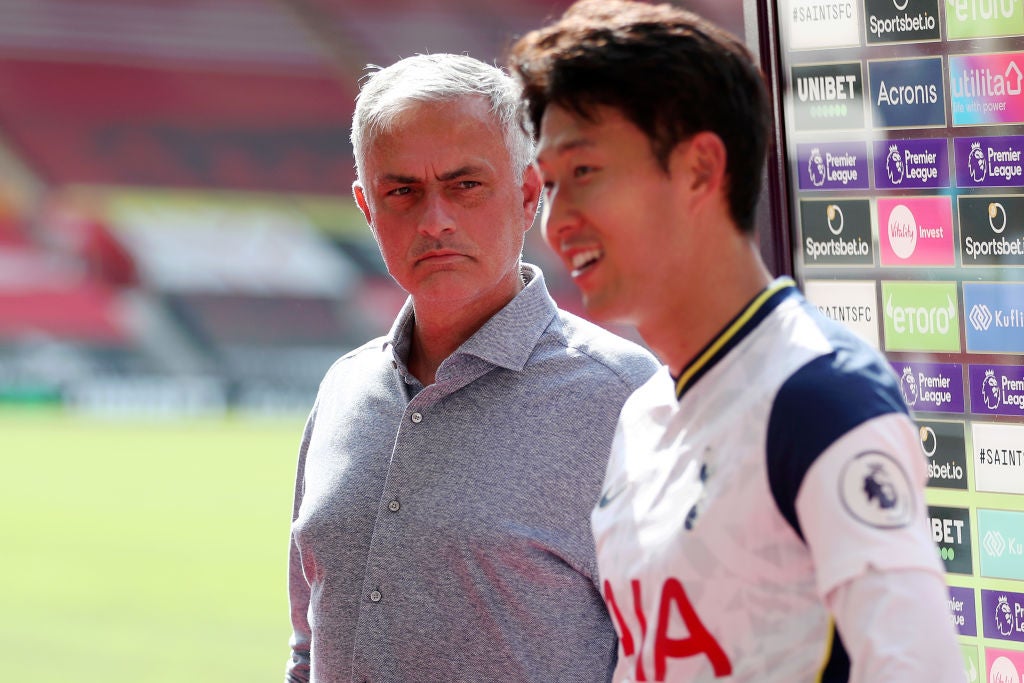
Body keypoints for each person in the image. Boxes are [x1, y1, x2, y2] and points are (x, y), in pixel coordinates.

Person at [509, 2, 966, 682]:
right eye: (548, 185)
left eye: (583, 172)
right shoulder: (642, 412)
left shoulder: (818, 395)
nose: (558, 221)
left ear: (699, 168)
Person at [285, 53, 659, 683]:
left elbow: (681, 658)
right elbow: (308, 649)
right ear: (366, 207)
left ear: (529, 193)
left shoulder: (623, 397)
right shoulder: (344, 390)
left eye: (465, 185)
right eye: (401, 191)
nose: (435, 221)